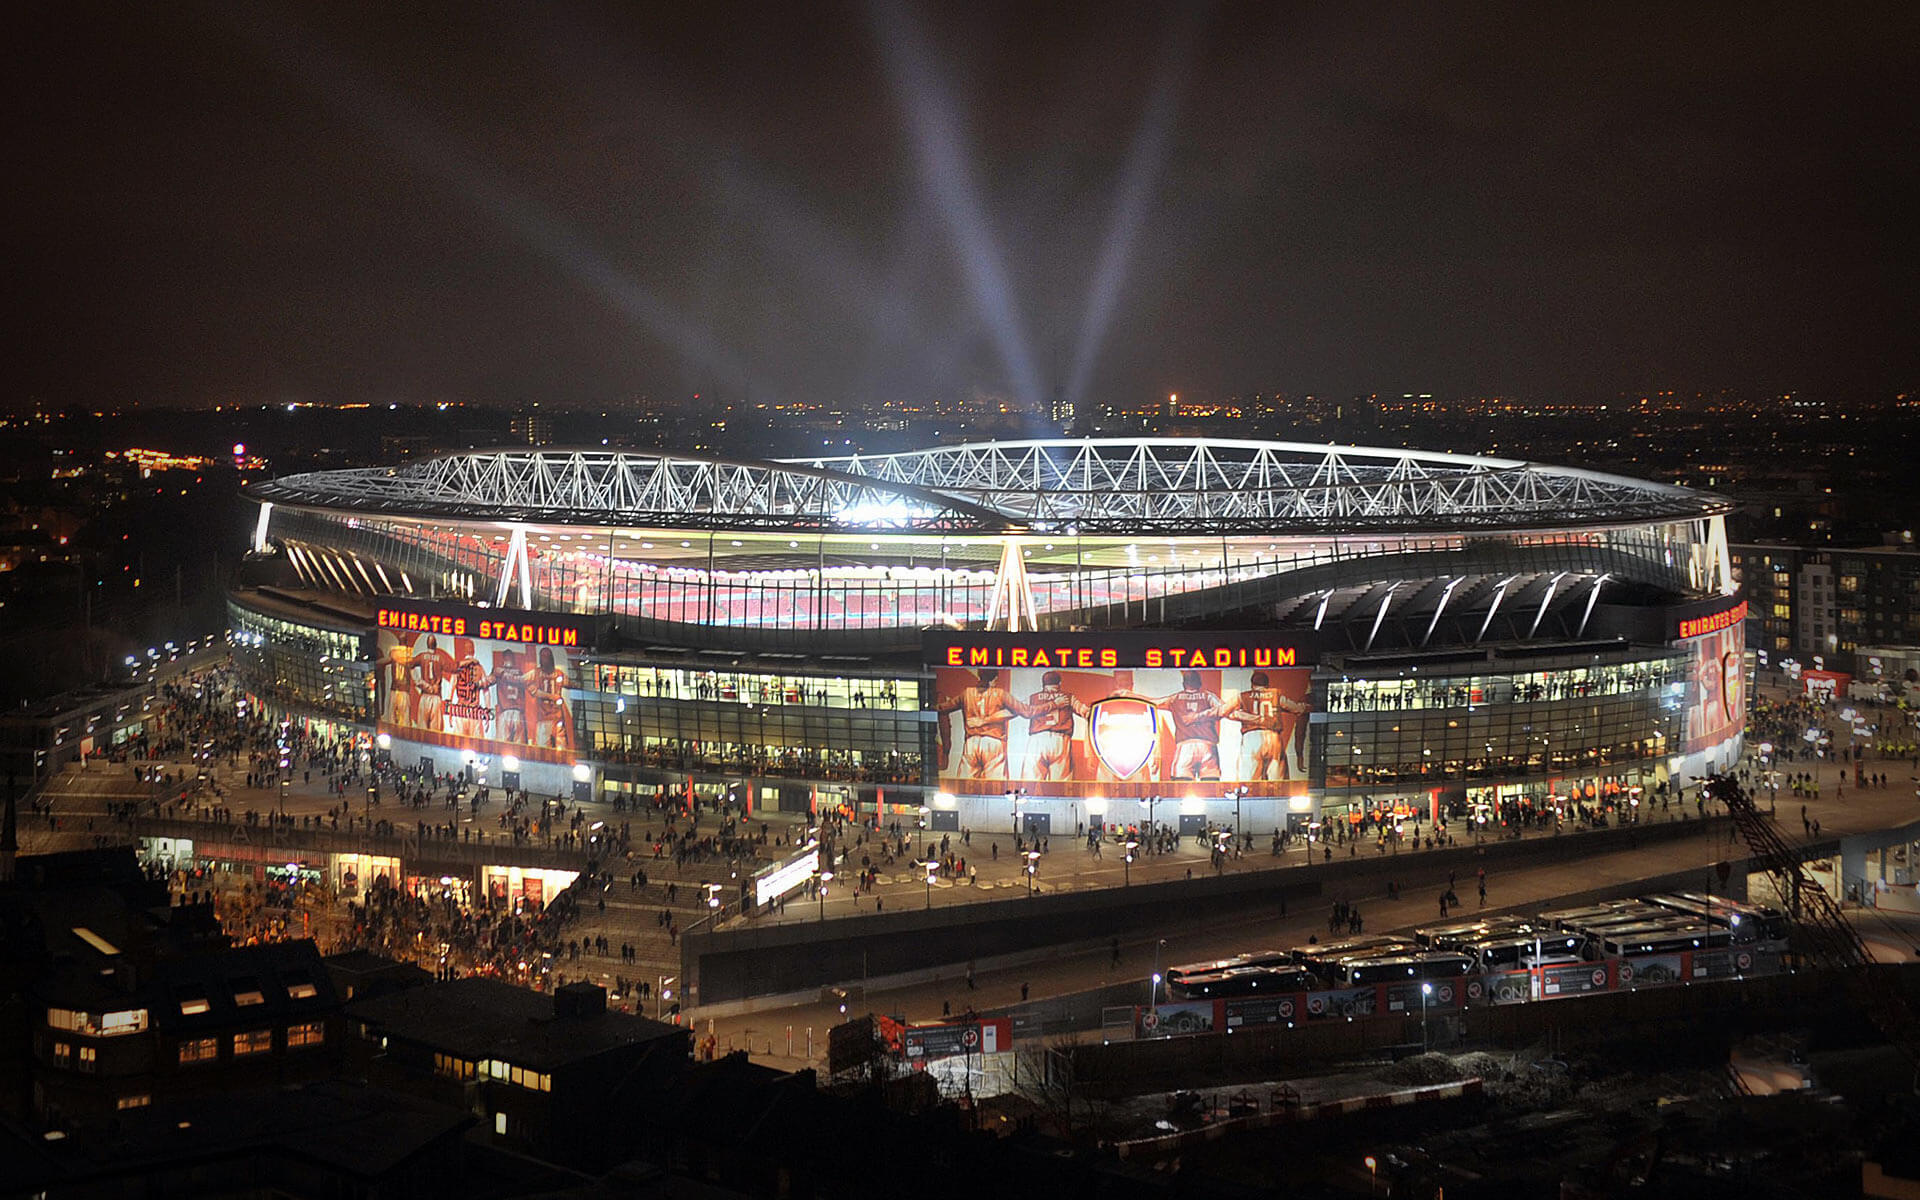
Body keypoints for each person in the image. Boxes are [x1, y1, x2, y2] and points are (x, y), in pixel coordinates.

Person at [936, 670, 1033, 781]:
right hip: (994, 742)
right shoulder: (1001, 694)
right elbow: (1024, 711)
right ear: (995, 679)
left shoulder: (967, 693)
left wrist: (929, 706)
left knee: (964, 785)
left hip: (971, 743)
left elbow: (943, 708)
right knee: (995, 786)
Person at [1022, 671, 1088, 780]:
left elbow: (1019, 709)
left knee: (1030, 785)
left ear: (1043, 684)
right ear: (1059, 683)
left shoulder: (1033, 698)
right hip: (1060, 740)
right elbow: (1085, 711)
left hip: (1037, 740)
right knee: (1060, 786)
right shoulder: (1068, 697)